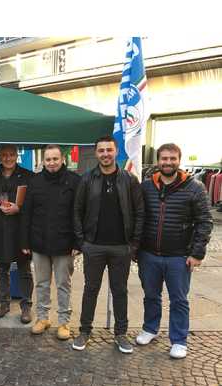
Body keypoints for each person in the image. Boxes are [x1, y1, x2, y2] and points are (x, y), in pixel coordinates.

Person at [136, 143, 213, 359]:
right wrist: (136, 249)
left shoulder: (195, 187)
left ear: (179, 160)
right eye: (164, 158)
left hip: (179, 256)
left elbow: (205, 221)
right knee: (151, 295)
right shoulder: (146, 187)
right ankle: (150, 328)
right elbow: (139, 217)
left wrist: (197, 253)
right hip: (149, 254)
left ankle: (179, 340)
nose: (168, 162)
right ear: (158, 161)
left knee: (179, 299)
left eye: (172, 158)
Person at [72, 135, 144, 354]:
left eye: (109, 150)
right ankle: (85, 331)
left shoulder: (129, 179)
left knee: (120, 291)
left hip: (121, 247)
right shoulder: (87, 179)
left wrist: (133, 244)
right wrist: (82, 242)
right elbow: (77, 211)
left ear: (116, 151)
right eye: (101, 150)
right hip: (93, 246)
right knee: (90, 289)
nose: (105, 154)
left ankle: (120, 334)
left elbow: (140, 212)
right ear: (96, 153)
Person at [20, 145, 81, 338]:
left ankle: (64, 322)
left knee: (63, 284)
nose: (52, 163)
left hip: (65, 243)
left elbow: (79, 214)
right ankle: (42, 318)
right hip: (39, 242)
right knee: (42, 283)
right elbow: (26, 213)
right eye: (48, 159)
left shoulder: (74, 181)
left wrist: (78, 243)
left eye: (55, 159)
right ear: (43, 161)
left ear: (62, 159)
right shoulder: (35, 181)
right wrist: (25, 241)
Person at [0, 145, 34, 323]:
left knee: (24, 269)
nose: (8, 158)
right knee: (2, 269)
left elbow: (34, 204)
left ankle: (26, 306)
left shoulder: (28, 176)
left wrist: (19, 209)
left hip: (21, 230)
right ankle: (4, 303)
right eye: (4, 155)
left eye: (11, 155)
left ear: (17, 156)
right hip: (0, 230)